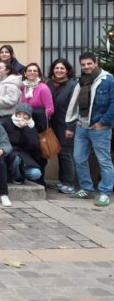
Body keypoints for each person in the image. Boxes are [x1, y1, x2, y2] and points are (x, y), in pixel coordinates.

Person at [64, 51, 114, 207]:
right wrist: (75, 121)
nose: (86, 67)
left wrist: (102, 122)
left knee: (104, 161)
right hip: (82, 126)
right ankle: (87, 189)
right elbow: (76, 103)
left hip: (100, 128)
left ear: (96, 63)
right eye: (83, 64)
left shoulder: (108, 79)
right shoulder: (83, 80)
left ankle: (105, 193)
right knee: (79, 158)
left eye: (89, 63)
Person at [48, 58, 77, 194]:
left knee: (66, 154)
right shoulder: (49, 84)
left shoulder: (73, 85)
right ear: (53, 69)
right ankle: (61, 181)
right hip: (52, 125)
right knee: (59, 153)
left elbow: (74, 108)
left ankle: (70, 183)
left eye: (62, 68)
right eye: (57, 68)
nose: (59, 71)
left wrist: (71, 127)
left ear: (67, 70)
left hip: (66, 125)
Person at [4, 103, 42, 185]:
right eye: (19, 114)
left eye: (25, 114)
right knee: (16, 159)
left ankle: (20, 176)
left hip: (25, 156)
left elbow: (34, 146)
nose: (22, 117)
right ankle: (16, 177)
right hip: (10, 153)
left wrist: (25, 128)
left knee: (36, 174)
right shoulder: (7, 123)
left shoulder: (31, 126)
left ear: (29, 116)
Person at [20, 62, 54, 131]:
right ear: (25, 74)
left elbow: (50, 110)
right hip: (23, 123)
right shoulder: (22, 87)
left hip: (39, 124)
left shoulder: (43, 88)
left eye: (35, 71)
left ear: (38, 74)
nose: (32, 72)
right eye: (29, 71)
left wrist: (34, 115)